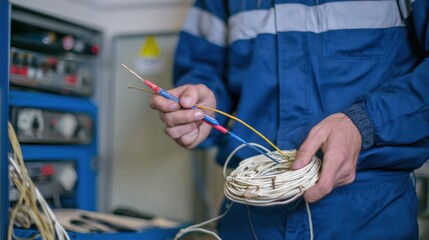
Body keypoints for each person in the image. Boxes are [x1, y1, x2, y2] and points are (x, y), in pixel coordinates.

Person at [150, 0, 429, 239]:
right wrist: (201, 105)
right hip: (250, 216)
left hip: (367, 216)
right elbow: (204, 67)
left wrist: (363, 123)